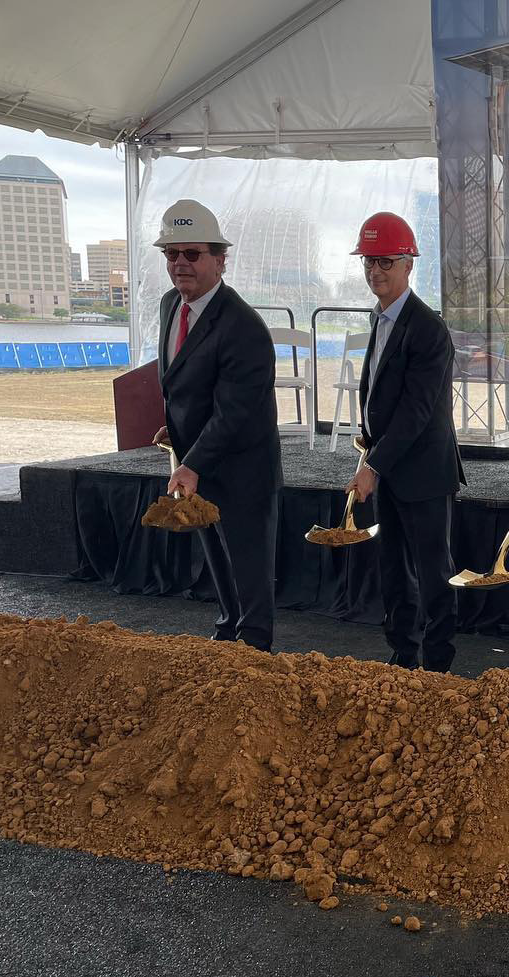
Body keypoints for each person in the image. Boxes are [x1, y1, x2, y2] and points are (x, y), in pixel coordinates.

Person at [152, 199, 282, 652]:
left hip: (242, 467)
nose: (181, 263)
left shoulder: (243, 326)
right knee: (220, 565)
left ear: (220, 260)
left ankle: (255, 653)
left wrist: (191, 462)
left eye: (193, 254)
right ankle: (228, 637)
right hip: (200, 464)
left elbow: (236, 411)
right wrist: (177, 427)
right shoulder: (171, 305)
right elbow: (182, 381)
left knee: (248, 566)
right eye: (172, 254)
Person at [344, 212, 465, 672]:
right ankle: (402, 654)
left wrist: (373, 465)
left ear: (409, 264)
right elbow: (381, 393)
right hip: (391, 468)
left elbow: (418, 410)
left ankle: (438, 665)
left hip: (424, 473)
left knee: (434, 572)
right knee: (393, 570)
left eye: (387, 262)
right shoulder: (381, 319)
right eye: (370, 261)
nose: (376, 271)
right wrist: (372, 449)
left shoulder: (428, 328)